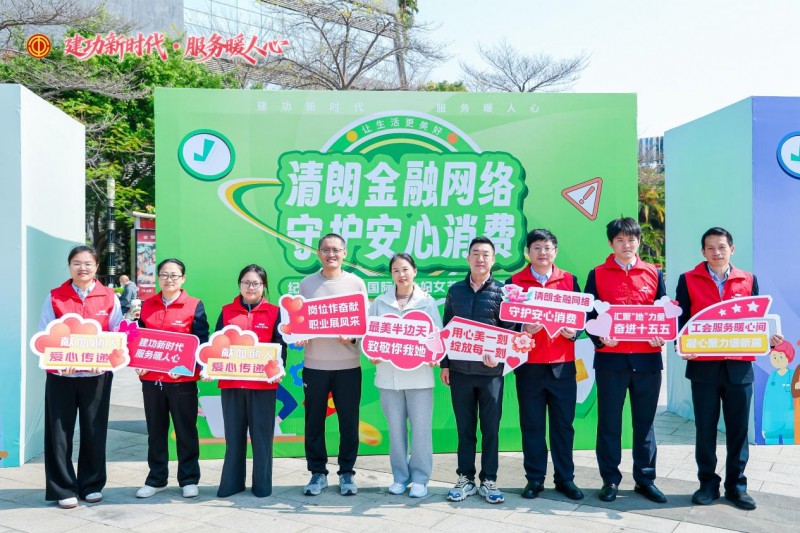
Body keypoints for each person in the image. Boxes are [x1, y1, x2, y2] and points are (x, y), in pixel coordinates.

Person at [675, 227, 783, 510]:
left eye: (722, 247)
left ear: (731, 249)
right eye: (710, 248)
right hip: (703, 369)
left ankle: (737, 486)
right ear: (703, 251)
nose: (716, 252)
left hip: (739, 369)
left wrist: (769, 338)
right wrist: (682, 344)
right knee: (705, 429)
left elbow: (757, 321)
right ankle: (707, 484)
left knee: (738, 430)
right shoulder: (688, 279)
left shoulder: (748, 280)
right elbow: (680, 322)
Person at [584, 217, 668, 504]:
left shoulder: (654, 273)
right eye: (619, 240)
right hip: (611, 361)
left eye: (631, 239)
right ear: (611, 243)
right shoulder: (597, 274)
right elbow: (588, 316)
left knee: (645, 424)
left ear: (638, 241)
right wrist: (599, 338)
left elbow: (664, 313)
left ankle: (646, 479)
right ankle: (610, 480)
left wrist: (661, 335)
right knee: (609, 423)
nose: (626, 245)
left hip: (647, 361)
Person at [38, 245, 123, 509]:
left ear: (96, 267)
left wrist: (106, 362)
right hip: (61, 376)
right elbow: (44, 334)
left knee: (94, 429)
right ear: (69, 266)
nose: (82, 268)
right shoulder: (55, 296)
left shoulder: (109, 297)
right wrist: (57, 365)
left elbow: (118, 334)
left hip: (97, 376)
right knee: (59, 432)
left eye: (88, 263)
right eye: (77, 263)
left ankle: (91, 484)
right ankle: (62, 488)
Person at [507, 229, 584, 501]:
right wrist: (521, 327)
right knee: (532, 425)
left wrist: (574, 332)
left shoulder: (569, 280)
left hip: (563, 364)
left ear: (555, 251)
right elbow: (505, 320)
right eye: (537, 247)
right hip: (529, 365)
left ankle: (565, 479)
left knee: (563, 426)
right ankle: (534, 479)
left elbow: (583, 317)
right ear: (528, 252)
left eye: (548, 247)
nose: (543, 252)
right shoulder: (515, 283)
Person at [440, 236, 515, 504]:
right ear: (468, 258)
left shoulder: (504, 293)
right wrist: (445, 364)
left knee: (491, 429)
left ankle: (489, 479)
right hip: (460, 372)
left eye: (485, 254)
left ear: (493, 260)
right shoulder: (455, 291)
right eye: (475, 253)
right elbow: (447, 328)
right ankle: (465, 478)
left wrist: (499, 357)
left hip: (491, 374)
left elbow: (510, 331)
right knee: (465, 428)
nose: (480, 258)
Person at [296, 234, 368, 497]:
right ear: (318, 253)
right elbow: (298, 320)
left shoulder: (356, 283)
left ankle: (347, 473)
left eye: (336, 250)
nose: (331, 254)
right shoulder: (306, 284)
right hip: (314, 366)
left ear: (345, 253)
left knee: (348, 422)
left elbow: (364, 325)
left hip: (348, 366)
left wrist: (353, 337)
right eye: (326, 250)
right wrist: (298, 334)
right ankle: (317, 472)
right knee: (313, 421)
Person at [368, 253, 442, 499]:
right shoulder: (380, 302)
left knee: (421, 431)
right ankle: (400, 477)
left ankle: (420, 478)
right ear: (391, 274)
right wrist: (372, 354)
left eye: (405, 269)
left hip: (419, 377)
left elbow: (437, 336)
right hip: (388, 378)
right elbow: (369, 335)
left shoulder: (427, 301)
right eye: (396, 270)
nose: (401, 275)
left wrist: (435, 355)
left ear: (414, 271)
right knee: (396, 430)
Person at [135, 258, 209, 499]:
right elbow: (138, 339)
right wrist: (138, 363)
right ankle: (156, 479)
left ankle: (189, 479)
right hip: (152, 381)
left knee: (186, 431)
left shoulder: (194, 305)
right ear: (158, 278)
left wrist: (189, 367)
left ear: (183, 279)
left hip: (182, 383)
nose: (169, 279)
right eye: (164, 275)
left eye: (174, 275)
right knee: (155, 432)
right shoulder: (147, 305)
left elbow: (201, 342)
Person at [215, 264, 287, 498]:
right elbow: (216, 345)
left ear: (264, 286)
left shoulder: (275, 312)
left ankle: (262, 486)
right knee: (234, 435)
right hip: (232, 384)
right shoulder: (227, 312)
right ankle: (231, 484)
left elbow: (280, 346)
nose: (250, 287)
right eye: (246, 282)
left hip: (263, 385)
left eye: (256, 283)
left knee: (262, 437)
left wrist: (279, 368)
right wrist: (211, 366)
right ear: (239, 285)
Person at [762, 341, 794, 445]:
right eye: (774, 357)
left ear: (788, 357)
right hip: (772, 418)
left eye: (780, 356)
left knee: (790, 445)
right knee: (770, 445)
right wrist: (764, 426)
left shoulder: (793, 374)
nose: (777, 360)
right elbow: (766, 400)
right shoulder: (772, 375)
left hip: (789, 418)